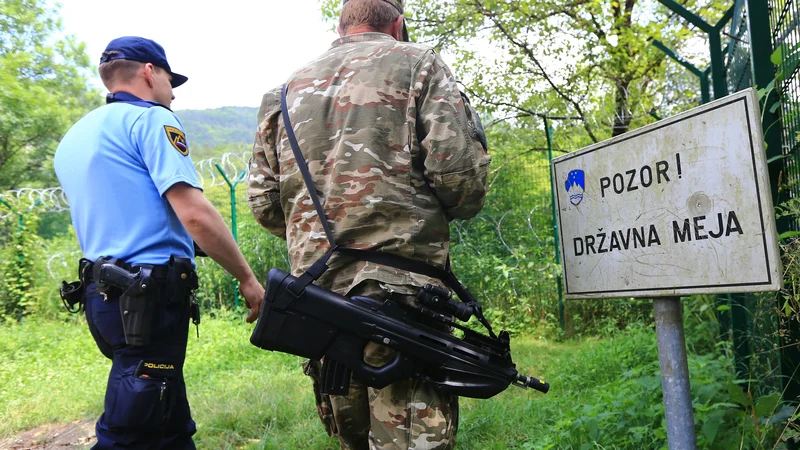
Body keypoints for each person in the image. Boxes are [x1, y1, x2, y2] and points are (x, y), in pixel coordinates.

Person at [247, 0, 491, 448]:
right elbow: (461, 182)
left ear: (341, 26)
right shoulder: (419, 64)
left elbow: (263, 204)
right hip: (404, 299)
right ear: (397, 25)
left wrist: (321, 231)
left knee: (349, 438)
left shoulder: (283, 92)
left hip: (319, 303)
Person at [53, 36, 265, 449]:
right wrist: (246, 277)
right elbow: (195, 213)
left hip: (103, 296)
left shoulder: (76, 136)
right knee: (128, 428)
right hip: (147, 298)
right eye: (171, 80)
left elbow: (128, 213)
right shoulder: (151, 120)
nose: (173, 92)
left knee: (166, 421)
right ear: (150, 72)